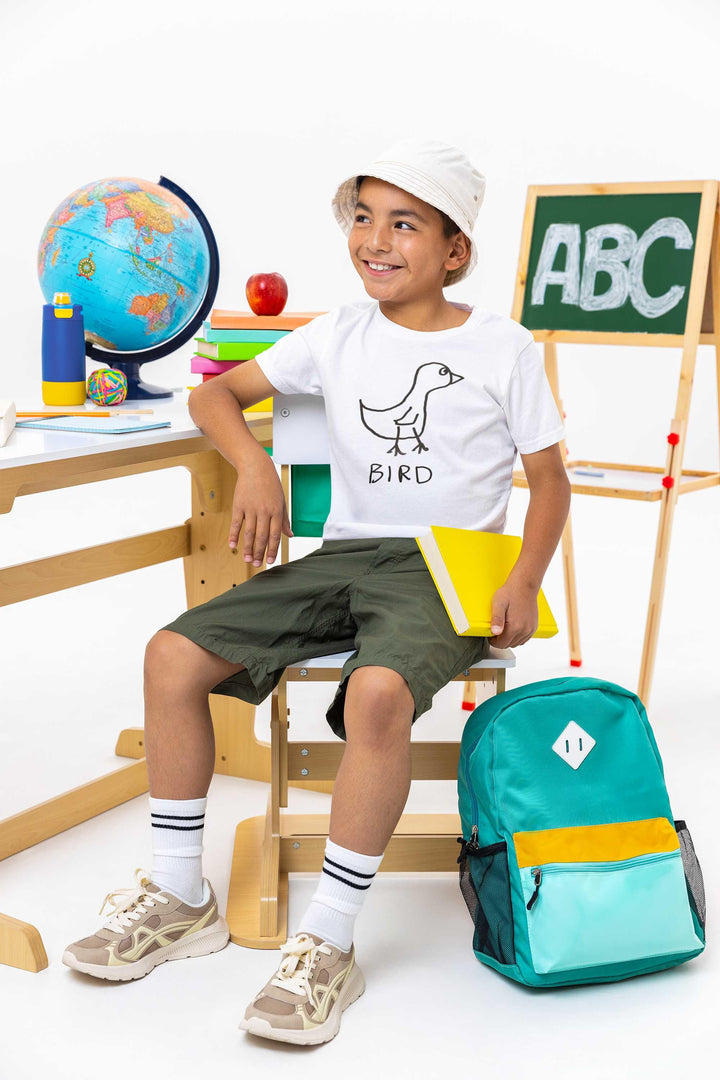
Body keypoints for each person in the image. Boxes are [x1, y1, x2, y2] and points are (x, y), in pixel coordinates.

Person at [63, 139, 570, 1044]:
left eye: (404, 224)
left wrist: (525, 577)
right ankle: (180, 896)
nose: (375, 239)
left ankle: (329, 941)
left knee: (375, 692)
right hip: (344, 558)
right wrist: (255, 467)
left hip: (447, 566)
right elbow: (213, 398)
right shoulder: (337, 332)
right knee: (170, 656)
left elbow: (550, 480)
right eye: (364, 218)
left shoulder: (503, 347)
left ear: (455, 250)